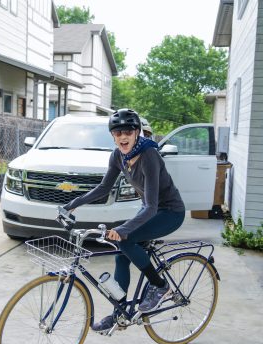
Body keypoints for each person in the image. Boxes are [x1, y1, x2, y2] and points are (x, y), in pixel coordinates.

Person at [63, 108, 185, 332]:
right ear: (112, 136)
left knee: (125, 240)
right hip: (152, 211)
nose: (123, 137)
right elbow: (103, 188)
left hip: (169, 212)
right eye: (117, 133)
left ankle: (161, 286)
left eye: (128, 131)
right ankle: (119, 315)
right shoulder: (118, 156)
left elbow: (151, 206)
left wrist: (123, 228)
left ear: (137, 132)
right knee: (122, 256)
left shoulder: (149, 155)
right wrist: (72, 205)